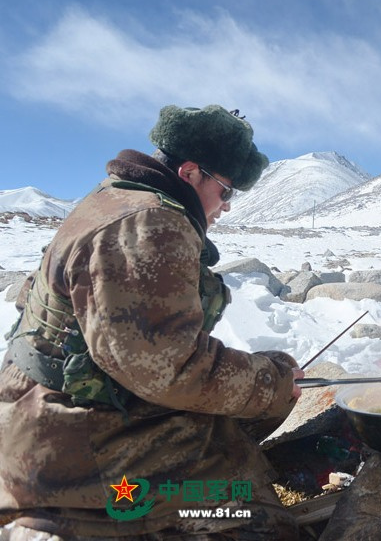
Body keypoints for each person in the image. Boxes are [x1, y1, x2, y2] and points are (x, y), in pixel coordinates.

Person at [0, 105, 303, 539]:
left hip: (45, 419)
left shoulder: (110, 202)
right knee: (258, 518)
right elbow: (168, 369)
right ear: (191, 172)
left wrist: (269, 376)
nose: (227, 207)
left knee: (252, 403)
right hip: (71, 446)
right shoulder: (149, 223)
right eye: (226, 191)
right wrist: (271, 382)